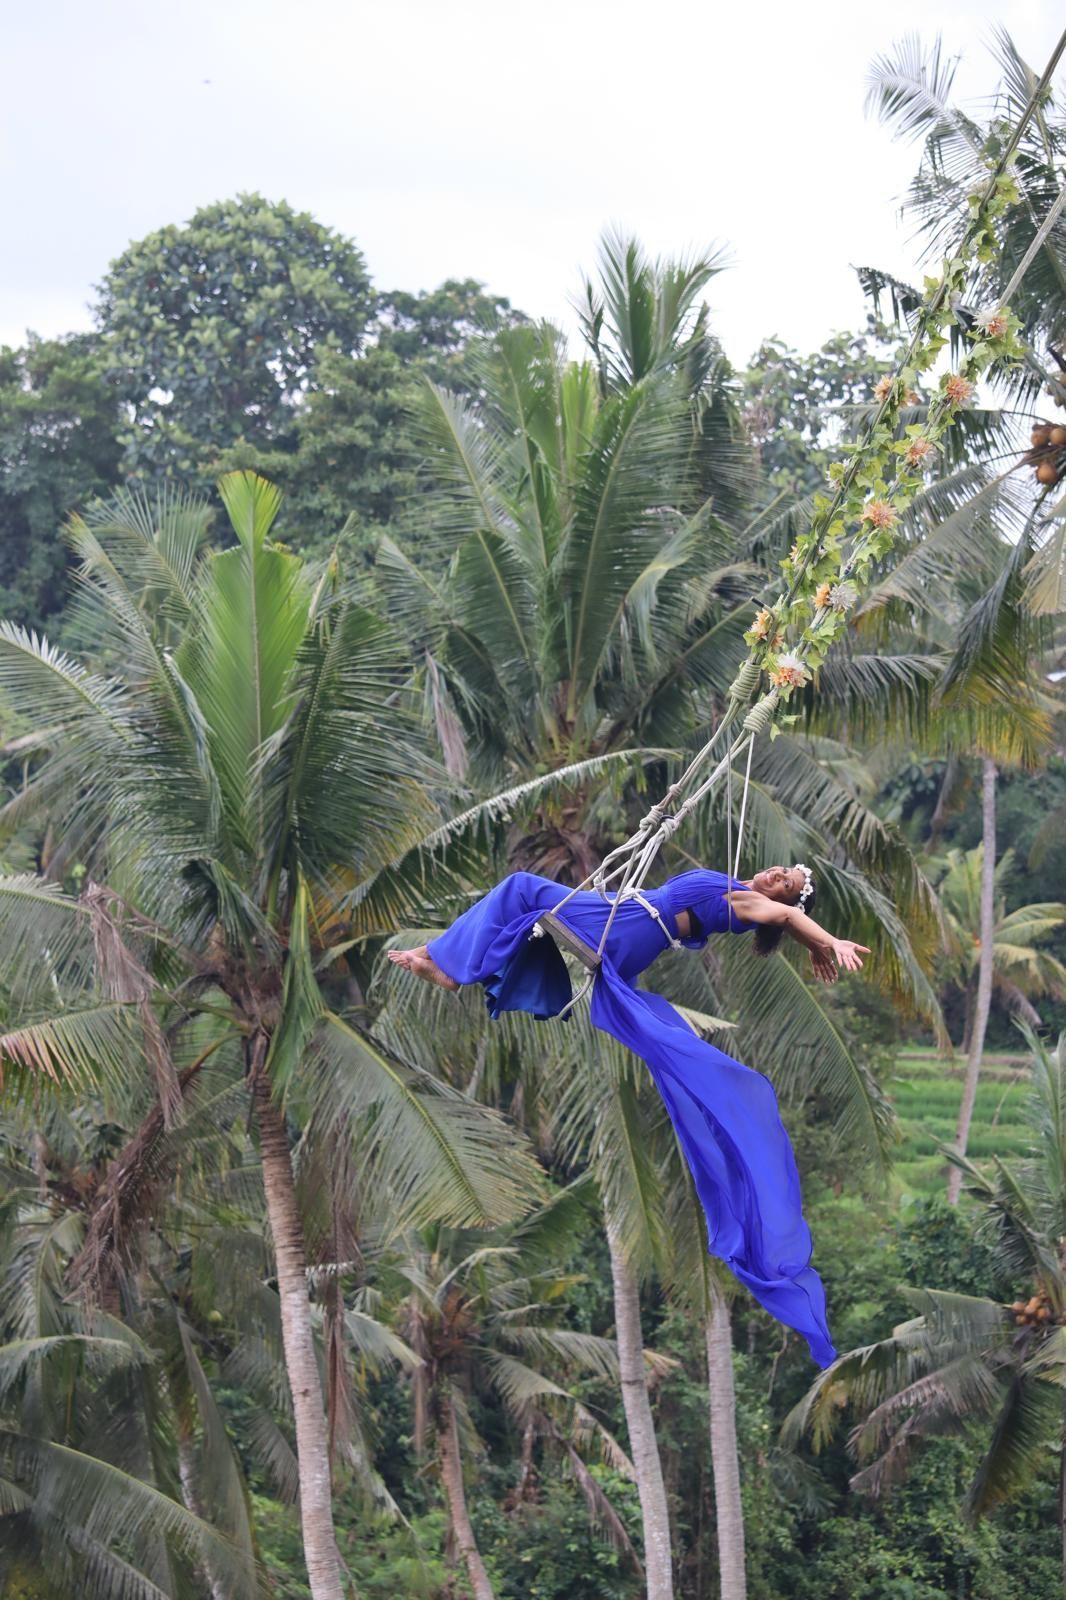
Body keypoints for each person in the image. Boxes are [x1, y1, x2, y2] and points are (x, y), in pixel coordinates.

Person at [389, 864, 870, 1368]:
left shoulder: (746, 905)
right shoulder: (734, 887)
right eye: (782, 870)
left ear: (784, 901)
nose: (776, 876)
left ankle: (448, 969)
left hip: (629, 927)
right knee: (524, 900)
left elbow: (786, 919)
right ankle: (454, 964)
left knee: (520, 888)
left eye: (786, 884)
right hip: (629, 917)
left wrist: (827, 940)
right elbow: (782, 912)